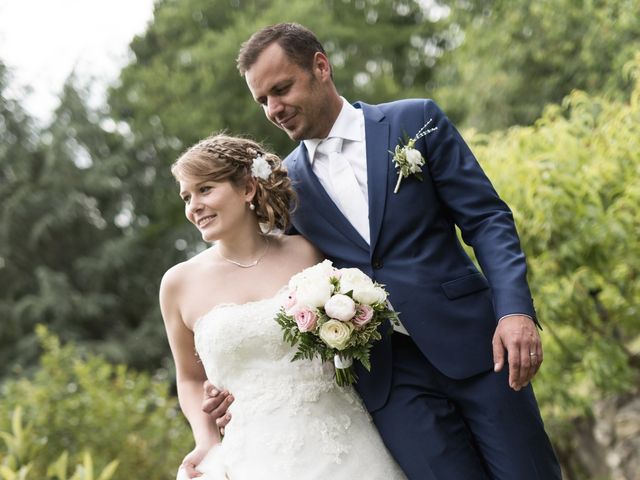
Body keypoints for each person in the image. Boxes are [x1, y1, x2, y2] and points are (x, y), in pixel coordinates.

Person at [203, 23, 563, 479]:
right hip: (391, 383)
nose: (273, 109)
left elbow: (487, 220)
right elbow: (278, 280)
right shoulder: (286, 186)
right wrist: (238, 386)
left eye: (282, 89)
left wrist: (515, 312)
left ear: (320, 66)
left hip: (478, 345)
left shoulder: (415, 122)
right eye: (262, 100)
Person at [160, 134, 407, 479]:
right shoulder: (178, 284)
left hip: (342, 443)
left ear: (247, 188)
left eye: (205, 189)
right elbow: (188, 377)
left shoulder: (307, 253)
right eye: (186, 196)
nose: (193, 206)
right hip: (252, 455)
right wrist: (206, 440)